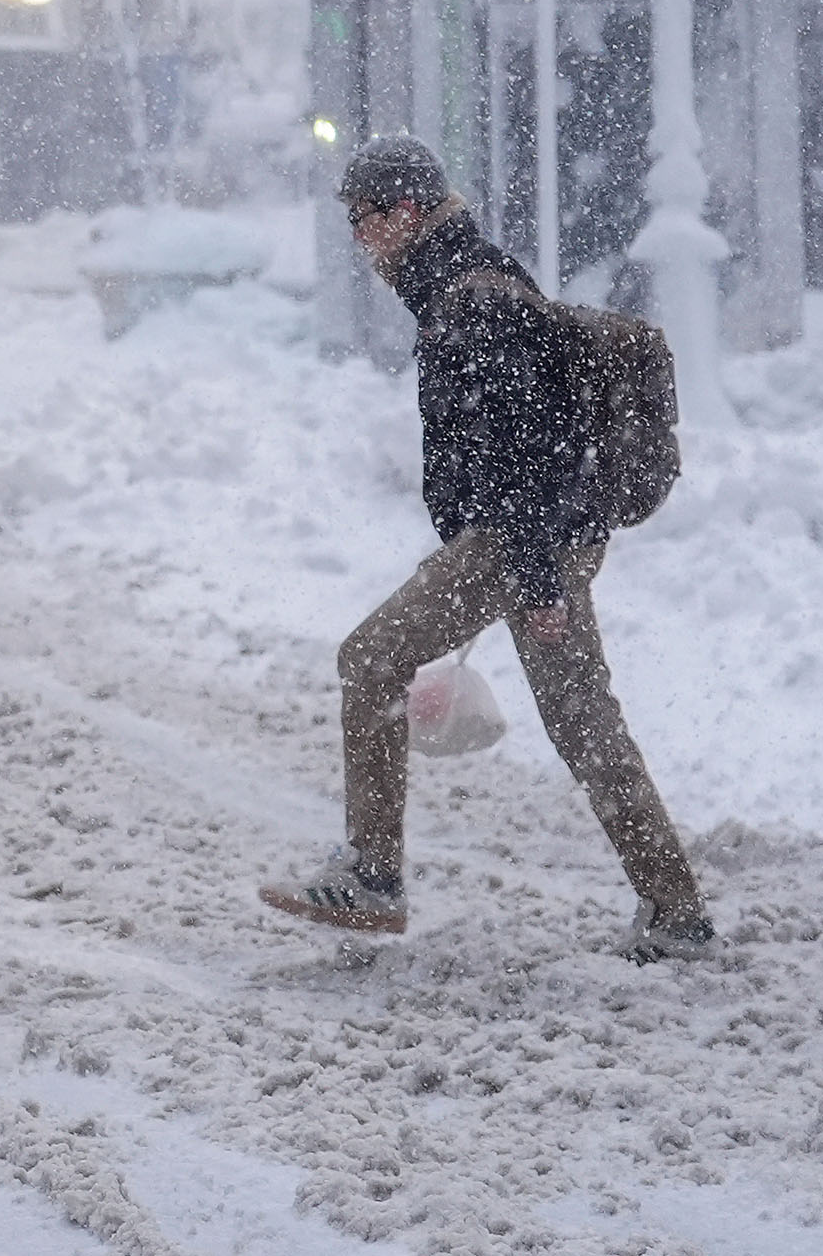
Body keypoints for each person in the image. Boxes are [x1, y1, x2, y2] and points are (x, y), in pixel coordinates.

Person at [265, 136, 710, 957]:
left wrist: (534, 579)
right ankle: (674, 910)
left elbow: (532, 453)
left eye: (363, 219)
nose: (359, 239)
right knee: (583, 721)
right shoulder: (470, 283)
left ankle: (372, 873)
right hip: (540, 536)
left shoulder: (473, 302)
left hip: (519, 540)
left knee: (369, 661)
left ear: (402, 212)